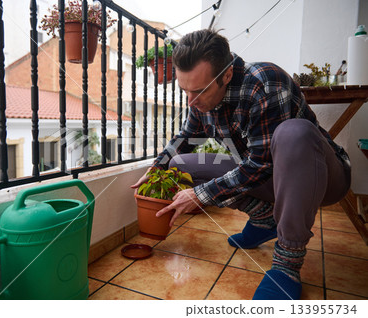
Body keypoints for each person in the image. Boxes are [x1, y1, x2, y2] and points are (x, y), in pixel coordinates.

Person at [131, 29, 351, 300]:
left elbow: (260, 164)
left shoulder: (265, 81)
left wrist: (201, 194)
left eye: (198, 91)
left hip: (324, 179)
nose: (191, 101)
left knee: (294, 133)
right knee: (181, 164)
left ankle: (287, 264)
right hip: (269, 180)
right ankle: (264, 219)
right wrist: (157, 168)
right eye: (184, 90)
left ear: (226, 75)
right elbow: (186, 137)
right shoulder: (200, 101)